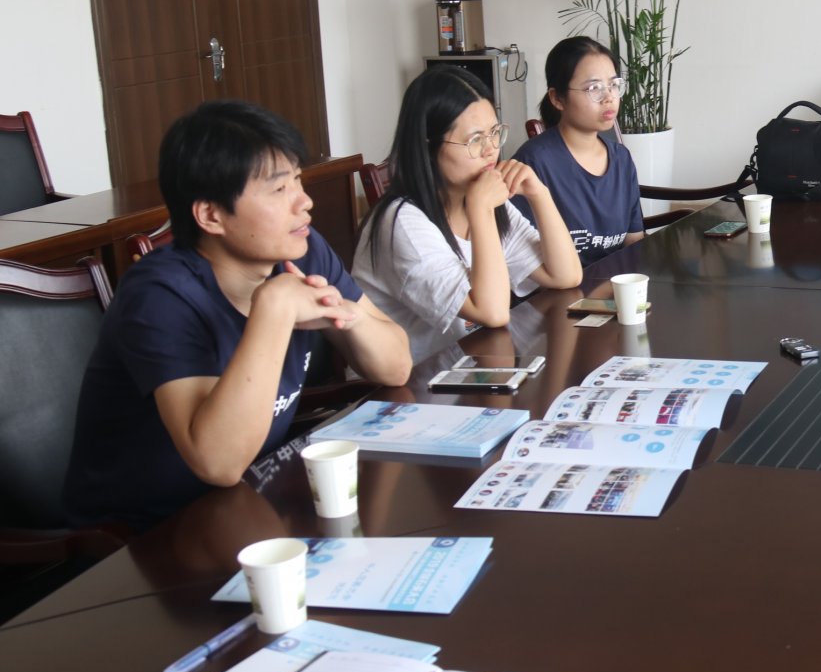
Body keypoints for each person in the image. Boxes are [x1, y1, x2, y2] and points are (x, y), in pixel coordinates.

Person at [65, 101, 412, 529]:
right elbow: (218, 463)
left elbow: (396, 367)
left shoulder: (300, 250)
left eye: (298, 180)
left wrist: (349, 316)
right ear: (211, 215)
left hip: (252, 500)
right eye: (279, 189)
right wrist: (275, 309)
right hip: (146, 535)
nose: (304, 202)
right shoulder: (159, 295)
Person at [354, 65, 582, 363]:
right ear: (428, 147)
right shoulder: (402, 223)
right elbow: (492, 313)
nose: (490, 150)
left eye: (494, 134)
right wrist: (481, 210)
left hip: (468, 364)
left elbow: (565, 275)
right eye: (475, 140)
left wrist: (540, 194)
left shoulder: (480, 198)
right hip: (409, 381)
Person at [508, 36, 645, 265]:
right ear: (557, 98)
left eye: (613, 85)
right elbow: (524, 262)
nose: (609, 97)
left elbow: (633, 242)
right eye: (594, 88)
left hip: (617, 283)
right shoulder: (533, 163)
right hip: (563, 286)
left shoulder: (622, 158)